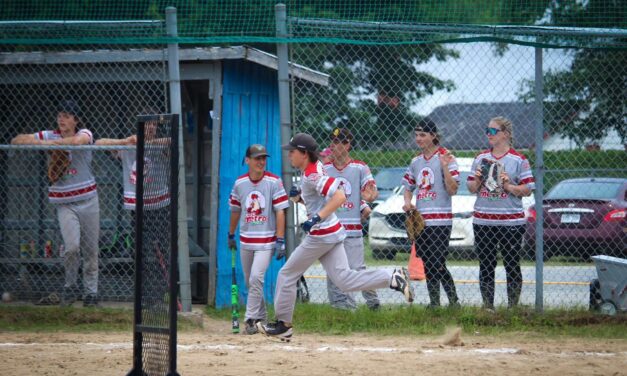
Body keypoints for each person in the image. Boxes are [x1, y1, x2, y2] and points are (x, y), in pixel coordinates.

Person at [257, 133, 413, 339]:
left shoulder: (313, 174)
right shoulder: (312, 170)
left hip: (321, 235)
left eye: (293, 151)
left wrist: (316, 218)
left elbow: (340, 196)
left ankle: (283, 325)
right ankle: (392, 277)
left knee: (287, 274)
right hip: (331, 232)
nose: (289, 155)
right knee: (345, 280)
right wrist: (300, 199)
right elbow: (320, 200)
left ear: (304, 154)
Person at [11, 99, 100, 307]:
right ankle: (70, 287)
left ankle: (91, 293)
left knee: (90, 250)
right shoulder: (49, 135)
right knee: (71, 248)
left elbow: (77, 143)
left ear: (76, 120)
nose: (62, 119)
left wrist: (51, 146)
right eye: (60, 115)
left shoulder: (84, 133)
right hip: (65, 203)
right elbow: (17, 139)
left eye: (67, 116)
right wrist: (45, 144)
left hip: (88, 200)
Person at [467, 116, 535, 310]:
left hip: (510, 222)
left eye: (493, 131)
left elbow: (527, 189)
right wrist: (479, 179)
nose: (489, 134)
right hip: (483, 220)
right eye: (487, 130)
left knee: (511, 264)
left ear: (505, 134)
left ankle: (512, 308)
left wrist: (508, 186)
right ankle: (488, 307)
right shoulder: (481, 158)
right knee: (486, 265)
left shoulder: (519, 159)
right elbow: (471, 187)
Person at [228, 144, 289, 335]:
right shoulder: (240, 183)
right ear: (247, 160)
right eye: (257, 158)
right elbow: (236, 210)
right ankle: (261, 316)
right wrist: (231, 234)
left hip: (266, 241)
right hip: (246, 240)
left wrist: (280, 239)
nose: (261, 162)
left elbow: (280, 211)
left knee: (256, 277)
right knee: (250, 281)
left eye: (263, 158)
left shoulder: (274, 181)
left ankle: (250, 319)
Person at [401, 118, 460, 308]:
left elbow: (453, 189)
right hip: (422, 221)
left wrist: (444, 166)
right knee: (428, 263)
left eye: (423, 135)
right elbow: (408, 185)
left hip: (440, 220)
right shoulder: (416, 162)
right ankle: (435, 303)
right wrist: (408, 202)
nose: (418, 139)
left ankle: (454, 302)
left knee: (437, 262)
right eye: (416, 135)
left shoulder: (447, 157)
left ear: (433, 136)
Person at [324, 127, 380, 310]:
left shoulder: (359, 167)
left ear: (348, 145)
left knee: (356, 270)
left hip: (352, 229)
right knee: (333, 271)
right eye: (333, 141)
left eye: (339, 142)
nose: (334, 145)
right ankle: (341, 308)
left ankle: (373, 303)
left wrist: (368, 197)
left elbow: (370, 189)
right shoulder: (325, 169)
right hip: (332, 227)